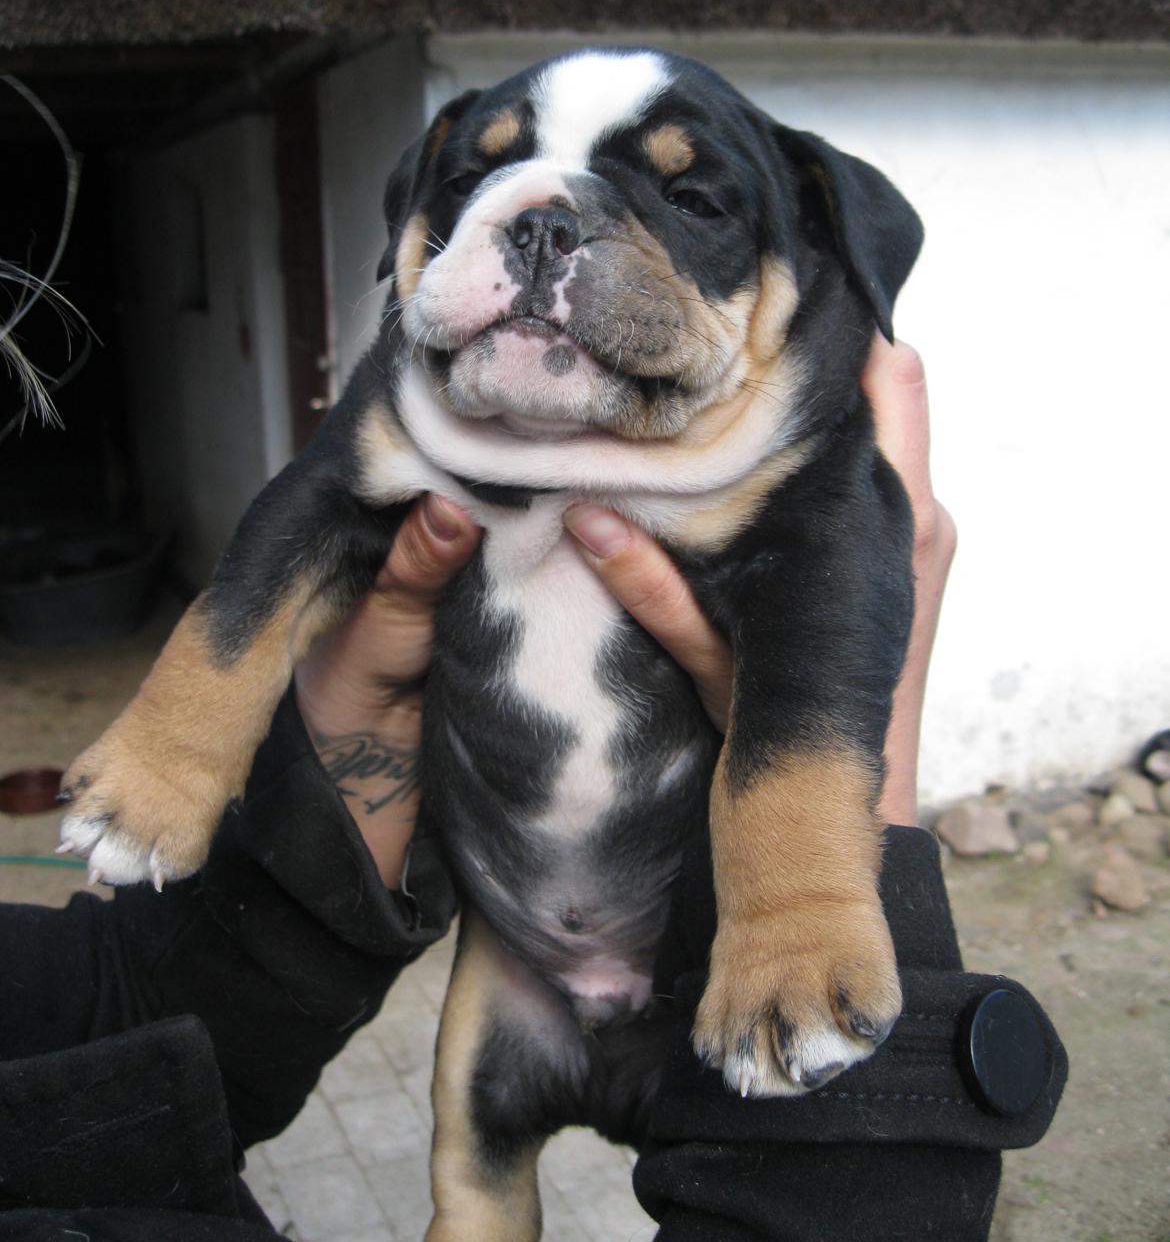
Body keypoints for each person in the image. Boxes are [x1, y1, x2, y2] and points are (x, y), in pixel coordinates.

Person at [0, 342, 1065, 1240]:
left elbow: (123, 1040)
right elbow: (310, 522)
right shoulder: (424, 412)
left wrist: (333, 781)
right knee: (471, 1196)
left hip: (702, 930)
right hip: (514, 953)